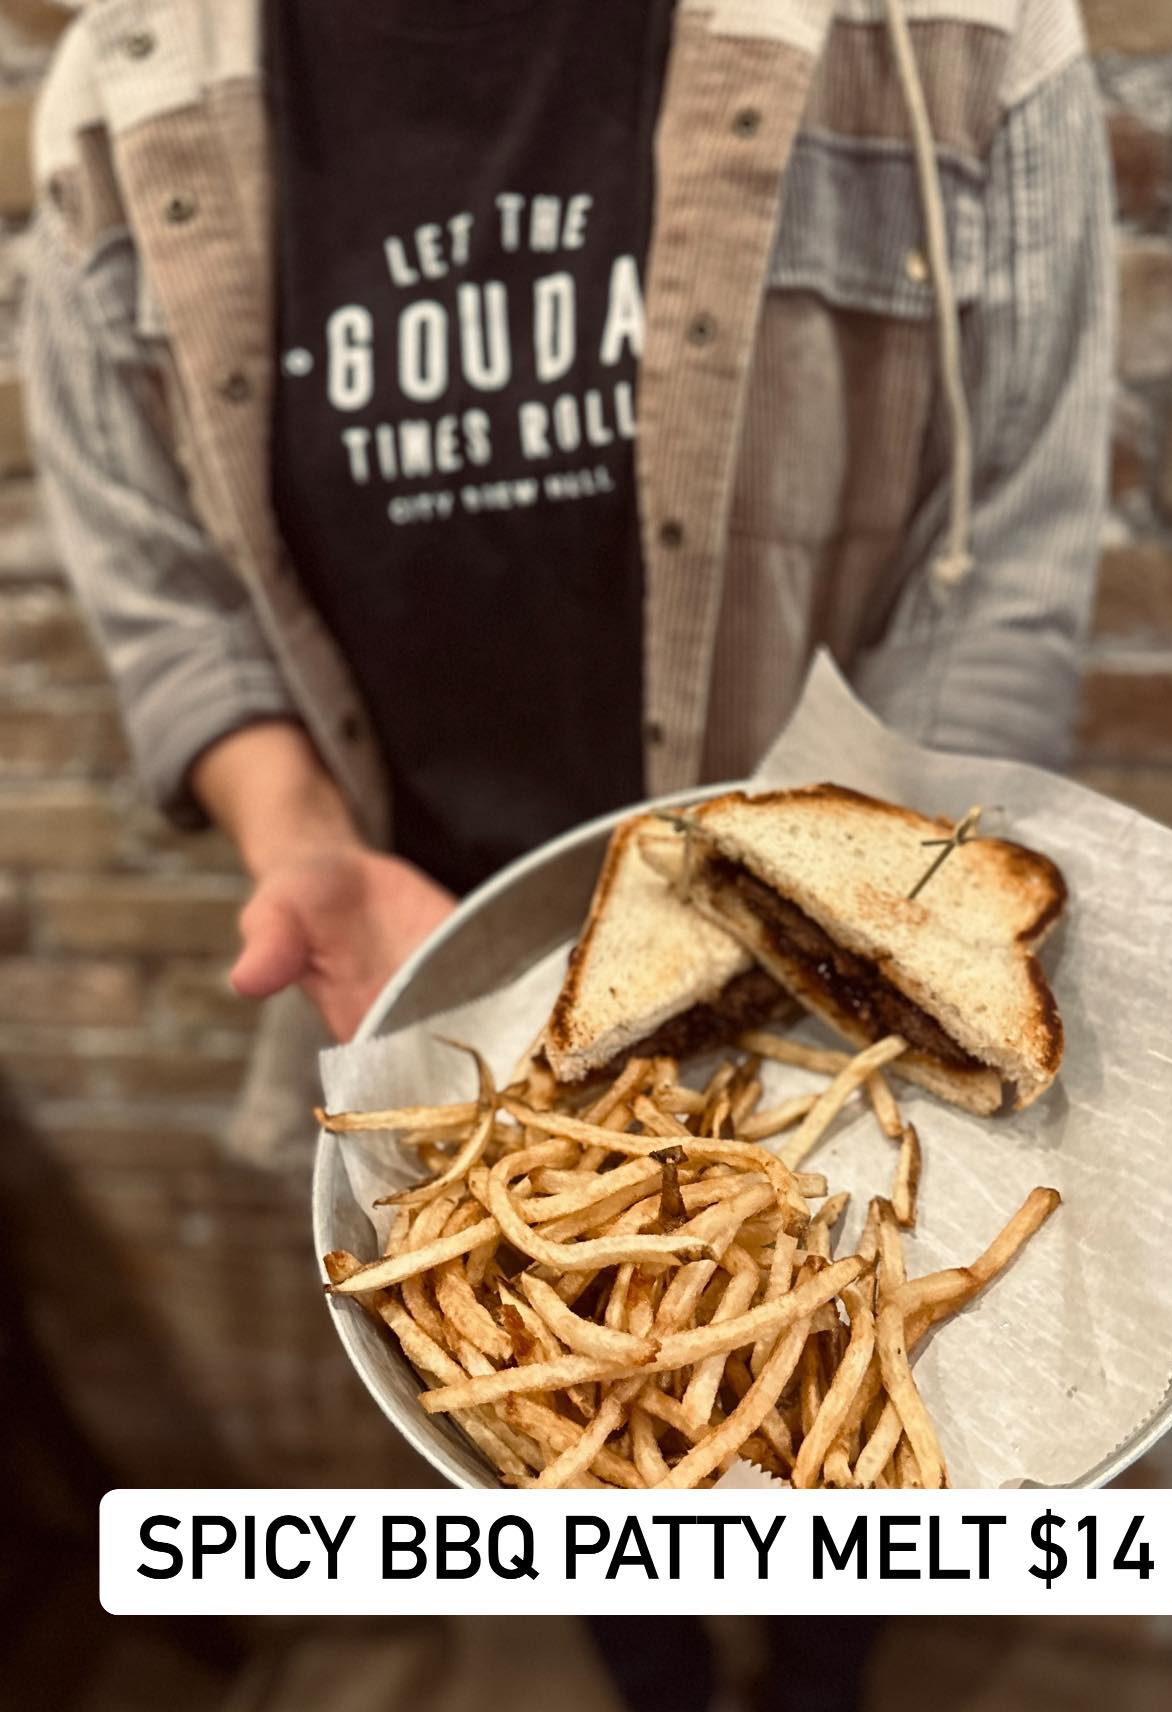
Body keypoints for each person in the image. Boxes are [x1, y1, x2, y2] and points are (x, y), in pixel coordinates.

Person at [21, 1, 1112, 1706]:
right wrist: (295, 830)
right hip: (451, 1008)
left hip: (837, 1016)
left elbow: (1008, 542)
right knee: (567, 1452)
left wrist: (873, 924)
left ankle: (818, 1680)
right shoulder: (124, 91)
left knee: (850, 1419)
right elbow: (166, 593)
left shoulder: (954, 35)